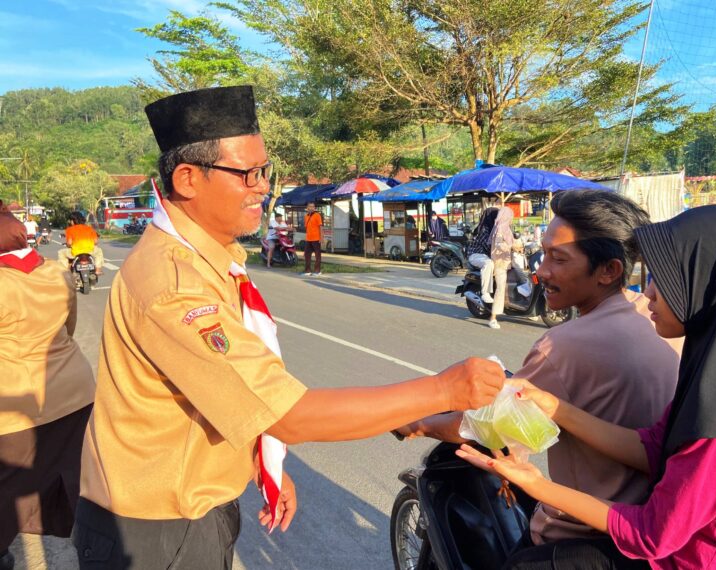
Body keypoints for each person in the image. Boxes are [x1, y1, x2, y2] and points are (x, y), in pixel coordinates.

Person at [73, 86, 505, 570]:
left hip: (182, 512)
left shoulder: (208, 259)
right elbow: (287, 414)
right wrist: (442, 390)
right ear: (188, 178)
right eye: (248, 174)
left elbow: (235, 392)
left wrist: (265, 458)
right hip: (155, 531)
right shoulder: (176, 285)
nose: (263, 187)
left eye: (265, 171)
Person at [458, 205, 716, 569]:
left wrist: (536, 484)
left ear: (707, 283)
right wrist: (556, 408)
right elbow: (653, 448)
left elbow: (651, 535)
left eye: (663, 280)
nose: (646, 293)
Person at [398, 191, 681, 567]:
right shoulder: (656, 316)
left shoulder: (563, 345)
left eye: (558, 259)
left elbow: (486, 428)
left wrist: (418, 423)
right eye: (543, 254)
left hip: (580, 532)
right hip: (656, 526)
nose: (541, 271)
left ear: (609, 270)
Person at [0, 214, 95, 570]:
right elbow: (69, 328)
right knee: (73, 475)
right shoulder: (57, 273)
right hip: (75, 392)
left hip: (16, 405)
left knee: (9, 486)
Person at [467, 207, 500, 305]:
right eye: (496, 216)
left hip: (486, 255)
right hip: (476, 255)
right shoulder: (484, 229)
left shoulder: (494, 228)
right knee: (488, 263)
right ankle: (485, 293)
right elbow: (489, 246)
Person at [303, 201, 322, 276]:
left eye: (313, 207)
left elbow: (320, 227)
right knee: (307, 255)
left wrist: (321, 237)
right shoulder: (306, 216)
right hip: (308, 239)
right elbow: (307, 228)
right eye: (310, 206)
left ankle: (317, 271)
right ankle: (307, 271)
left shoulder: (317, 215)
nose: (311, 208)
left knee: (317, 255)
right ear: (307, 208)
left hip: (316, 238)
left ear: (314, 208)